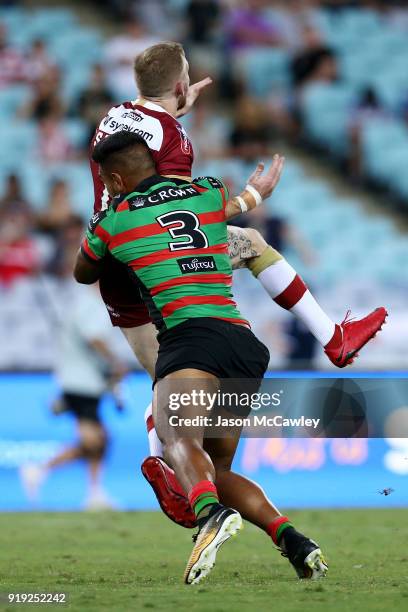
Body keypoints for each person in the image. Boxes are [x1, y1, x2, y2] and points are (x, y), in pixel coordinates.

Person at [88, 41, 387, 529]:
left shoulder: (114, 119)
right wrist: (251, 194)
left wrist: (174, 104)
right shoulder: (173, 140)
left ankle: (173, 476)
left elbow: (144, 153)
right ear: (182, 85)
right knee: (249, 240)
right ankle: (331, 336)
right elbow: (177, 215)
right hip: (148, 257)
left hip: (111, 261)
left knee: (167, 382)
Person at [75, 131, 328, 583]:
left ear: (114, 178)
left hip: (189, 340)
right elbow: (231, 214)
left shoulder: (113, 220)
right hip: (242, 344)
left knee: (177, 441)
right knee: (218, 467)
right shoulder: (207, 190)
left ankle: (210, 516)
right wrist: (254, 193)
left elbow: (83, 272)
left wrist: (105, 224)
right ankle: (293, 540)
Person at [20, 282, 125, 510]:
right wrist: (115, 362)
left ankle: (90, 490)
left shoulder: (86, 303)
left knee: (100, 440)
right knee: (94, 441)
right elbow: (94, 338)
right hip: (81, 383)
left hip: (85, 382)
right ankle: (42, 470)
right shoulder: (92, 305)